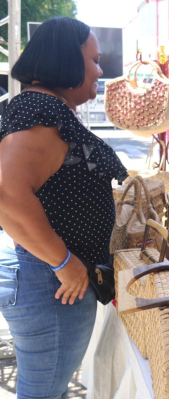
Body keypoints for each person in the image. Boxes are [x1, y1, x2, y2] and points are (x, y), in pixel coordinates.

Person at [0, 17, 127, 398]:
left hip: (47, 276)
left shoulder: (43, 108)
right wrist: (64, 263)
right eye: (94, 60)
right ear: (67, 60)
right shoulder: (42, 113)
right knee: (43, 391)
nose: (100, 70)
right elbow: (8, 194)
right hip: (50, 279)